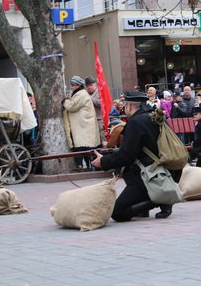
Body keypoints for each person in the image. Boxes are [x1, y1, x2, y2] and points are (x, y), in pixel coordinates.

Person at [91, 91, 181, 221]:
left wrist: (103, 162)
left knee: (117, 213)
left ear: (129, 106)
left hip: (145, 177)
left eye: (124, 105)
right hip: (164, 173)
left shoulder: (136, 122)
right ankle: (153, 202)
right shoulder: (156, 116)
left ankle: (159, 200)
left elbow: (127, 155)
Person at [63, 76, 101, 170]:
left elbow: (71, 106)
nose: (71, 87)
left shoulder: (81, 94)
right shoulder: (80, 93)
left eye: (73, 85)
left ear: (78, 85)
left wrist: (65, 101)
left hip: (83, 126)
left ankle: (83, 166)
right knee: (83, 147)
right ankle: (88, 166)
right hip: (82, 125)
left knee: (81, 147)